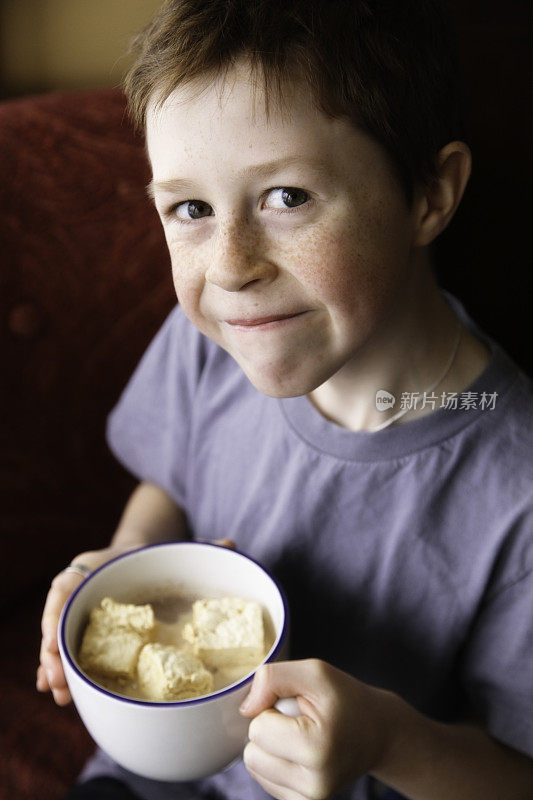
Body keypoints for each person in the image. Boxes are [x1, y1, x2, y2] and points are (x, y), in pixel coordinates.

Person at [37, 1, 533, 798]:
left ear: (429, 196)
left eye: (287, 197)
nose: (230, 268)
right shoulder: (213, 341)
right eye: (190, 209)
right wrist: (121, 564)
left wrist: (389, 741)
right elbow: (169, 478)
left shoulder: (515, 484)